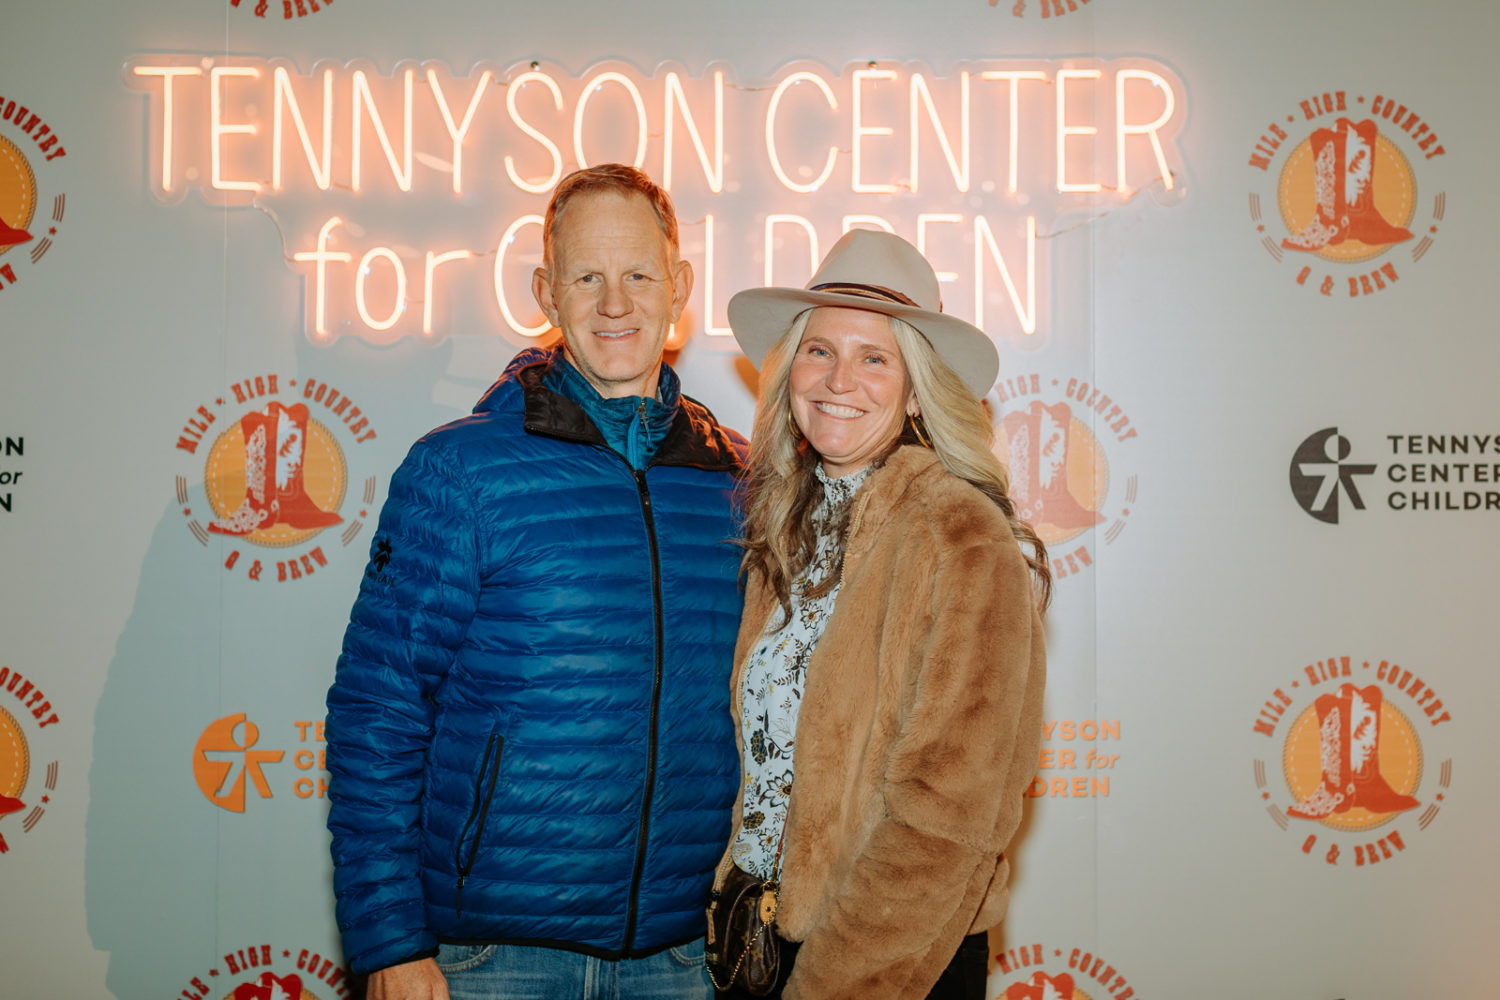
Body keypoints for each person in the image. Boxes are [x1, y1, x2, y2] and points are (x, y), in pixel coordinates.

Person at [325, 164, 747, 1000]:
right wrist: (388, 942)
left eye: (638, 275)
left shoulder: (739, 480)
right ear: (545, 293)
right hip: (493, 960)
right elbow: (379, 708)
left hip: (684, 959)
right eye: (586, 277)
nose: (615, 303)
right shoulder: (460, 471)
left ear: (680, 287)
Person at [711, 229, 1050, 1000]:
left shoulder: (959, 535)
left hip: (887, 959)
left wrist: (838, 982)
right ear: (790, 370)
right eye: (820, 350)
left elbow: (947, 818)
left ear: (916, 390)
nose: (840, 379)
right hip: (757, 942)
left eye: (874, 359)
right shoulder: (782, 526)